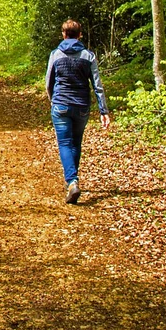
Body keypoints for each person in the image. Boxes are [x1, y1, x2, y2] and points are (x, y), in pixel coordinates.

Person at [45, 19, 110, 204]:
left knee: (65, 143)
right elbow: (97, 86)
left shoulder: (56, 54)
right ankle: (73, 179)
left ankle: (72, 181)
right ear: (80, 35)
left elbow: (48, 82)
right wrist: (103, 110)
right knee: (76, 143)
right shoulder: (88, 56)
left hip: (61, 104)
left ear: (64, 34)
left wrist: (53, 101)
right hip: (82, 106)